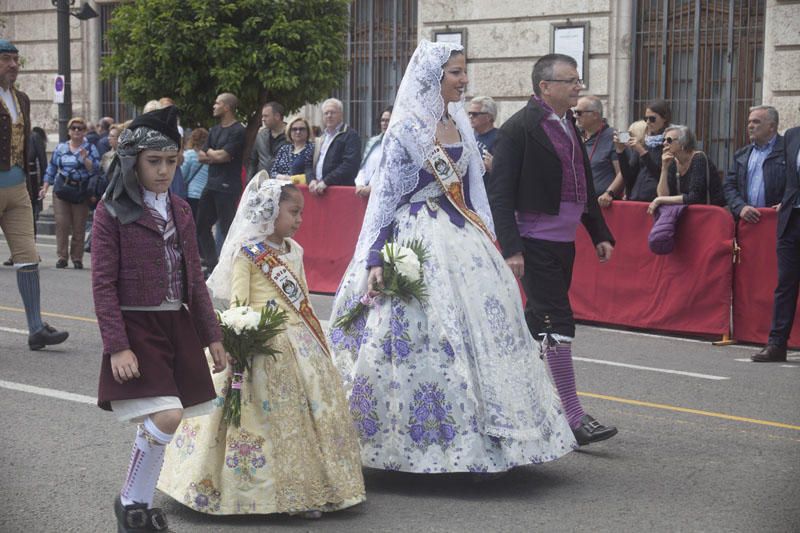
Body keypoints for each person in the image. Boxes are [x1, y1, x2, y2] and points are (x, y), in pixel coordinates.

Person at [328, 40, 576, 474]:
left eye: (464, 71)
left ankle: (497, 437)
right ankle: (409, 443)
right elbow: (386, 198)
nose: (464, 80)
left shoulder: (458, 122)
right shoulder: (406, 126)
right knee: (419, 337)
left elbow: (472, 189)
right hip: (413, 237)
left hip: (460, 237)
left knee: (484, 333)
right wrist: (375, 259)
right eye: (456, 73)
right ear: (433, 77)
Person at [159, 177, 365, 517]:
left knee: (301, 420)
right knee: (258, 419)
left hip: (299, 342)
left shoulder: (295, 251)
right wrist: (241, 338)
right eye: (293, 212)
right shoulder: (248, 254)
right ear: (270, 211)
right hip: (260, 341)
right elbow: (240, 303)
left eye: (301, 213)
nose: (299, 220)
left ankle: (304, 489)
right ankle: (246, 491)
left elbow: (304, 300)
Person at [91, 106, 227, 532]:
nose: (165, 170)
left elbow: (195, 281)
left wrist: (213, 336)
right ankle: (132, 500)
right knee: (167, 416)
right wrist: (117, 345)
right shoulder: (110, 212)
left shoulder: (182, 211)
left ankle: (137, 505)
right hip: (136, 327)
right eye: (155, 162)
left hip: (175, 325)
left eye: (172, 161)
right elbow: (103, 285)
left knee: (169, 417)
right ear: (133, 162)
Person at [489, 53, 618, 446]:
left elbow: (583, 184)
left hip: (564, 243)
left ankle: (510, 401)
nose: (578, 87)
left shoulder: (569, 124)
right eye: (570, 81)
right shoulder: (518, 129)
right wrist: (512, 247)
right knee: (557, 323)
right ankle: (575, 419)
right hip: (534, 241)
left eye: (578, 80)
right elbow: (500, 192)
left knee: (533, 328)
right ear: (545, 87)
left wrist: (599, 231)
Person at [0, 39, 69, 350]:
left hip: (17, 191)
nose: (13, 65)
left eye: (15, 59)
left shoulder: (22, 99)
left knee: (28, 258)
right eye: (6, 59)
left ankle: (36, 328)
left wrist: (32, 187)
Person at [752, 124, 800, 362]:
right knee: (785, 285)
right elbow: (791, 177)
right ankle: (777, 344)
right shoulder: (792, 136)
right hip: (792, 219)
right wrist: (786, 201)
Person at [40, 116, 100, 269]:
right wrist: (45, 186)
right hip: (62, 189)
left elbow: (95, 170)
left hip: (80, 191)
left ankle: (77, 258)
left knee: (79, 225)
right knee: (62, 224)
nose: (77, 131)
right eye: (74, 128)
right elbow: (52, 168)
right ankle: (62, 257)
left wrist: (86, 160)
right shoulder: (61, 148)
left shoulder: (90, 148)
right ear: (69, 131)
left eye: (80, 128)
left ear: (85, 131)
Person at [196, 92, 246, 273]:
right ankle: (212, 264)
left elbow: (224, 156)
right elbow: (201, 157)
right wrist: (213, 154)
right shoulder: (214, 130)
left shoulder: (238, 130)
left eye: (217, 103)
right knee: (201, 225)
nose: (213, 106)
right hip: (211, 185)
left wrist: (213, 153)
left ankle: (233, 267)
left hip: (227, 187)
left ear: (226, 107)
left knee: (227, 229)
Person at [723, 106, 786, 224]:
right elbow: (729, 185)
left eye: (756, 122)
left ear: (772, 126)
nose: (750, 126)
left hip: (780, 223)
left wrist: (787, 203)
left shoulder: (788, 151)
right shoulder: (741, 154)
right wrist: (740, 207)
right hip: (747, 224)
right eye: (749, 122)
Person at [646, 124, 725, 215]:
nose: (664, 143)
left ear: (683, 143)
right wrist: (664, 168)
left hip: (710, 216)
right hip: (689, 216)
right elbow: (663, 196)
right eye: (664, 140)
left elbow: (694, 197)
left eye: (669, 140)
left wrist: (659, 200)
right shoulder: (673, 162)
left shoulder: (699, 159)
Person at [615, 99, 672, 202]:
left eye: (652, 119)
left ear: (665, 118)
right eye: (645, 119)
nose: (648, 122)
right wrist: (620, 151)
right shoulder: (644, 142)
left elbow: (661, 175)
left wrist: (642, 152)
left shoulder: (669, 142)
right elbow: (628, 177)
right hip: (636, 200)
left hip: (656, 202)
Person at [574, 95, 623, 207]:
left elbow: (622, 172)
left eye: (579, 113)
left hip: (603, 204)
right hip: (579, 204)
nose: (576, 116)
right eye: (575, 112)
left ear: (595, 114)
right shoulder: (576, 136)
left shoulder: (616, 136)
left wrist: (609, 192)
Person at [308, 98, 361, 195]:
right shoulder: (321, 138)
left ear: (341, 114)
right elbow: (309, 163)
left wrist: (326, 181)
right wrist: (311, 179)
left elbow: (350, 165)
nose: (329, 116)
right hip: (318, 190)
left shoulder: (350, 135)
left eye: (333, 112)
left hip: (339, 191)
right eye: (326, 113)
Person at [354, 106, 391, 197]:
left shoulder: (398, 145)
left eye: (388, 120)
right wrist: (359, 184)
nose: (384, 123)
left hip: (384, 194)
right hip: (365, 193)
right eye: (382, 120)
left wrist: (373, 187)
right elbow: (363, 167)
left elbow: (389, 171)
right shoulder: (373, 142)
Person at [247, 101, 287, 180]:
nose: (263, 119)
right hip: (263, 183)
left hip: (282, 183)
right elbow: (253, 161)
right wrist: (249, 181)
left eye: (266, 116)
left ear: (277, 116)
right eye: (262, 116)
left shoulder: (292, 136)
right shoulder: (261, 135)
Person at [270, 116, 313, 181]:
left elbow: (312, 173)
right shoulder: (284, 149)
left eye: (302, 129)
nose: (298, 132)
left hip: (301, 189)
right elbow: (273, 172)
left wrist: (290, 179)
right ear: (289, 131)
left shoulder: (312, 149)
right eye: (294, 129)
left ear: (308, 131)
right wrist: (281, 177)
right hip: (281, 188)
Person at [180, 127, 209, 219]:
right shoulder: (209, 156)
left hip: (191, 194)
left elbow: (182, 175)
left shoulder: (189, 155)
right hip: (205, 194)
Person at [468, 96, 498, 181]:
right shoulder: (469, 136)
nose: (470, 116)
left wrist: (494, 168)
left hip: (488, 191)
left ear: (489, 117)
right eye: (469, 113)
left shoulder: (500, 138)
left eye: (475, 114)